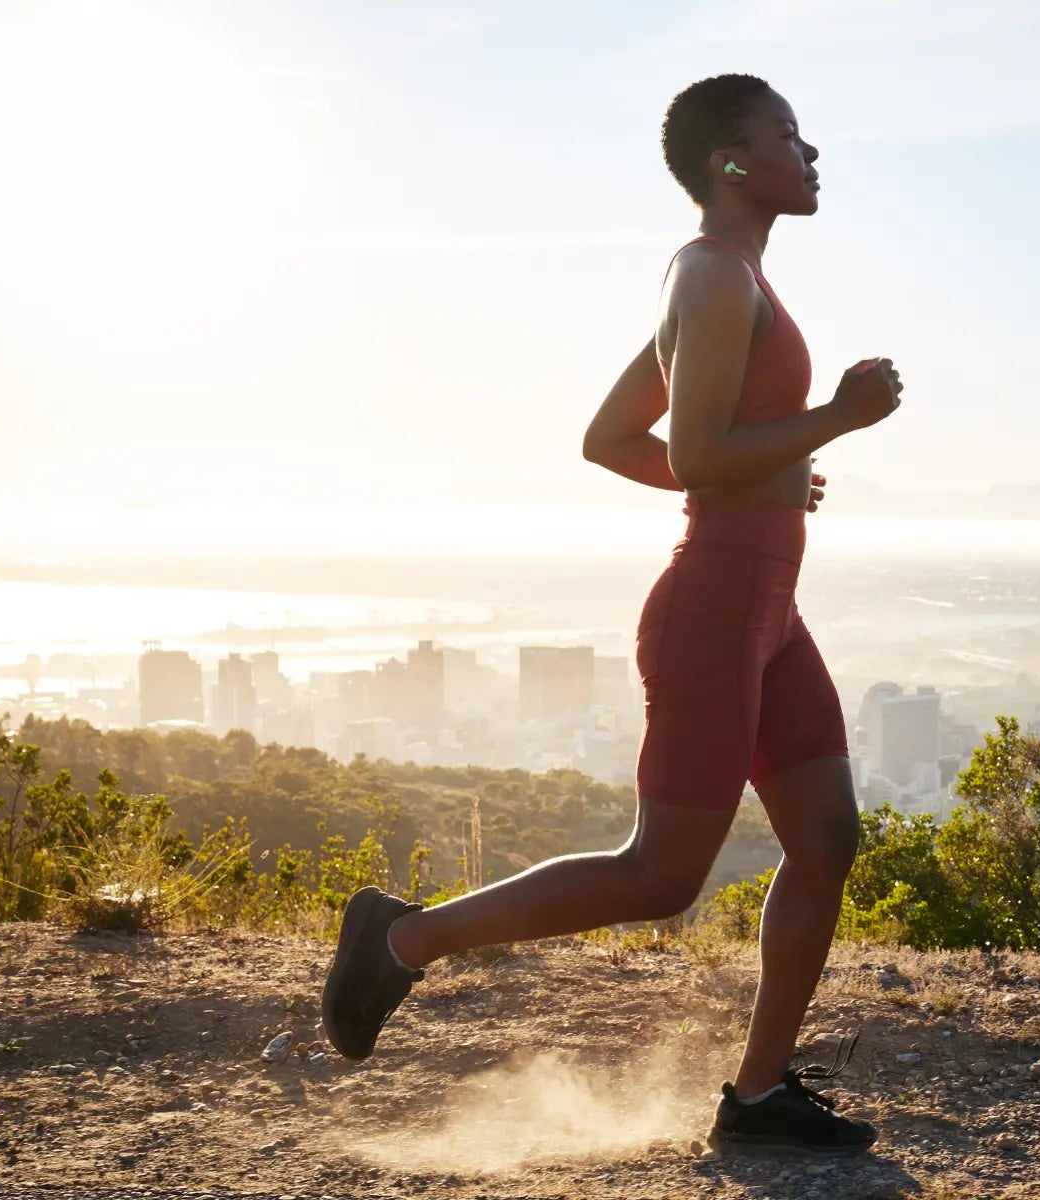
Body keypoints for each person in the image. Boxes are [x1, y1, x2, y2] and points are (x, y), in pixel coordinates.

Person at [320, 74, 904, 1158]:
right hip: (714, 605)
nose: (811, 151)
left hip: (767, 607)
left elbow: (614, 439)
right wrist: (836, 418)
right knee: (660, 876)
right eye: (788, 134)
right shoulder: (716, 276)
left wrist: (778, 470)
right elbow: (697, 456)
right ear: (732, 161)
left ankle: (759, 1097)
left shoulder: (721, 277)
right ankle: (400, 939)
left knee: (826, 837)